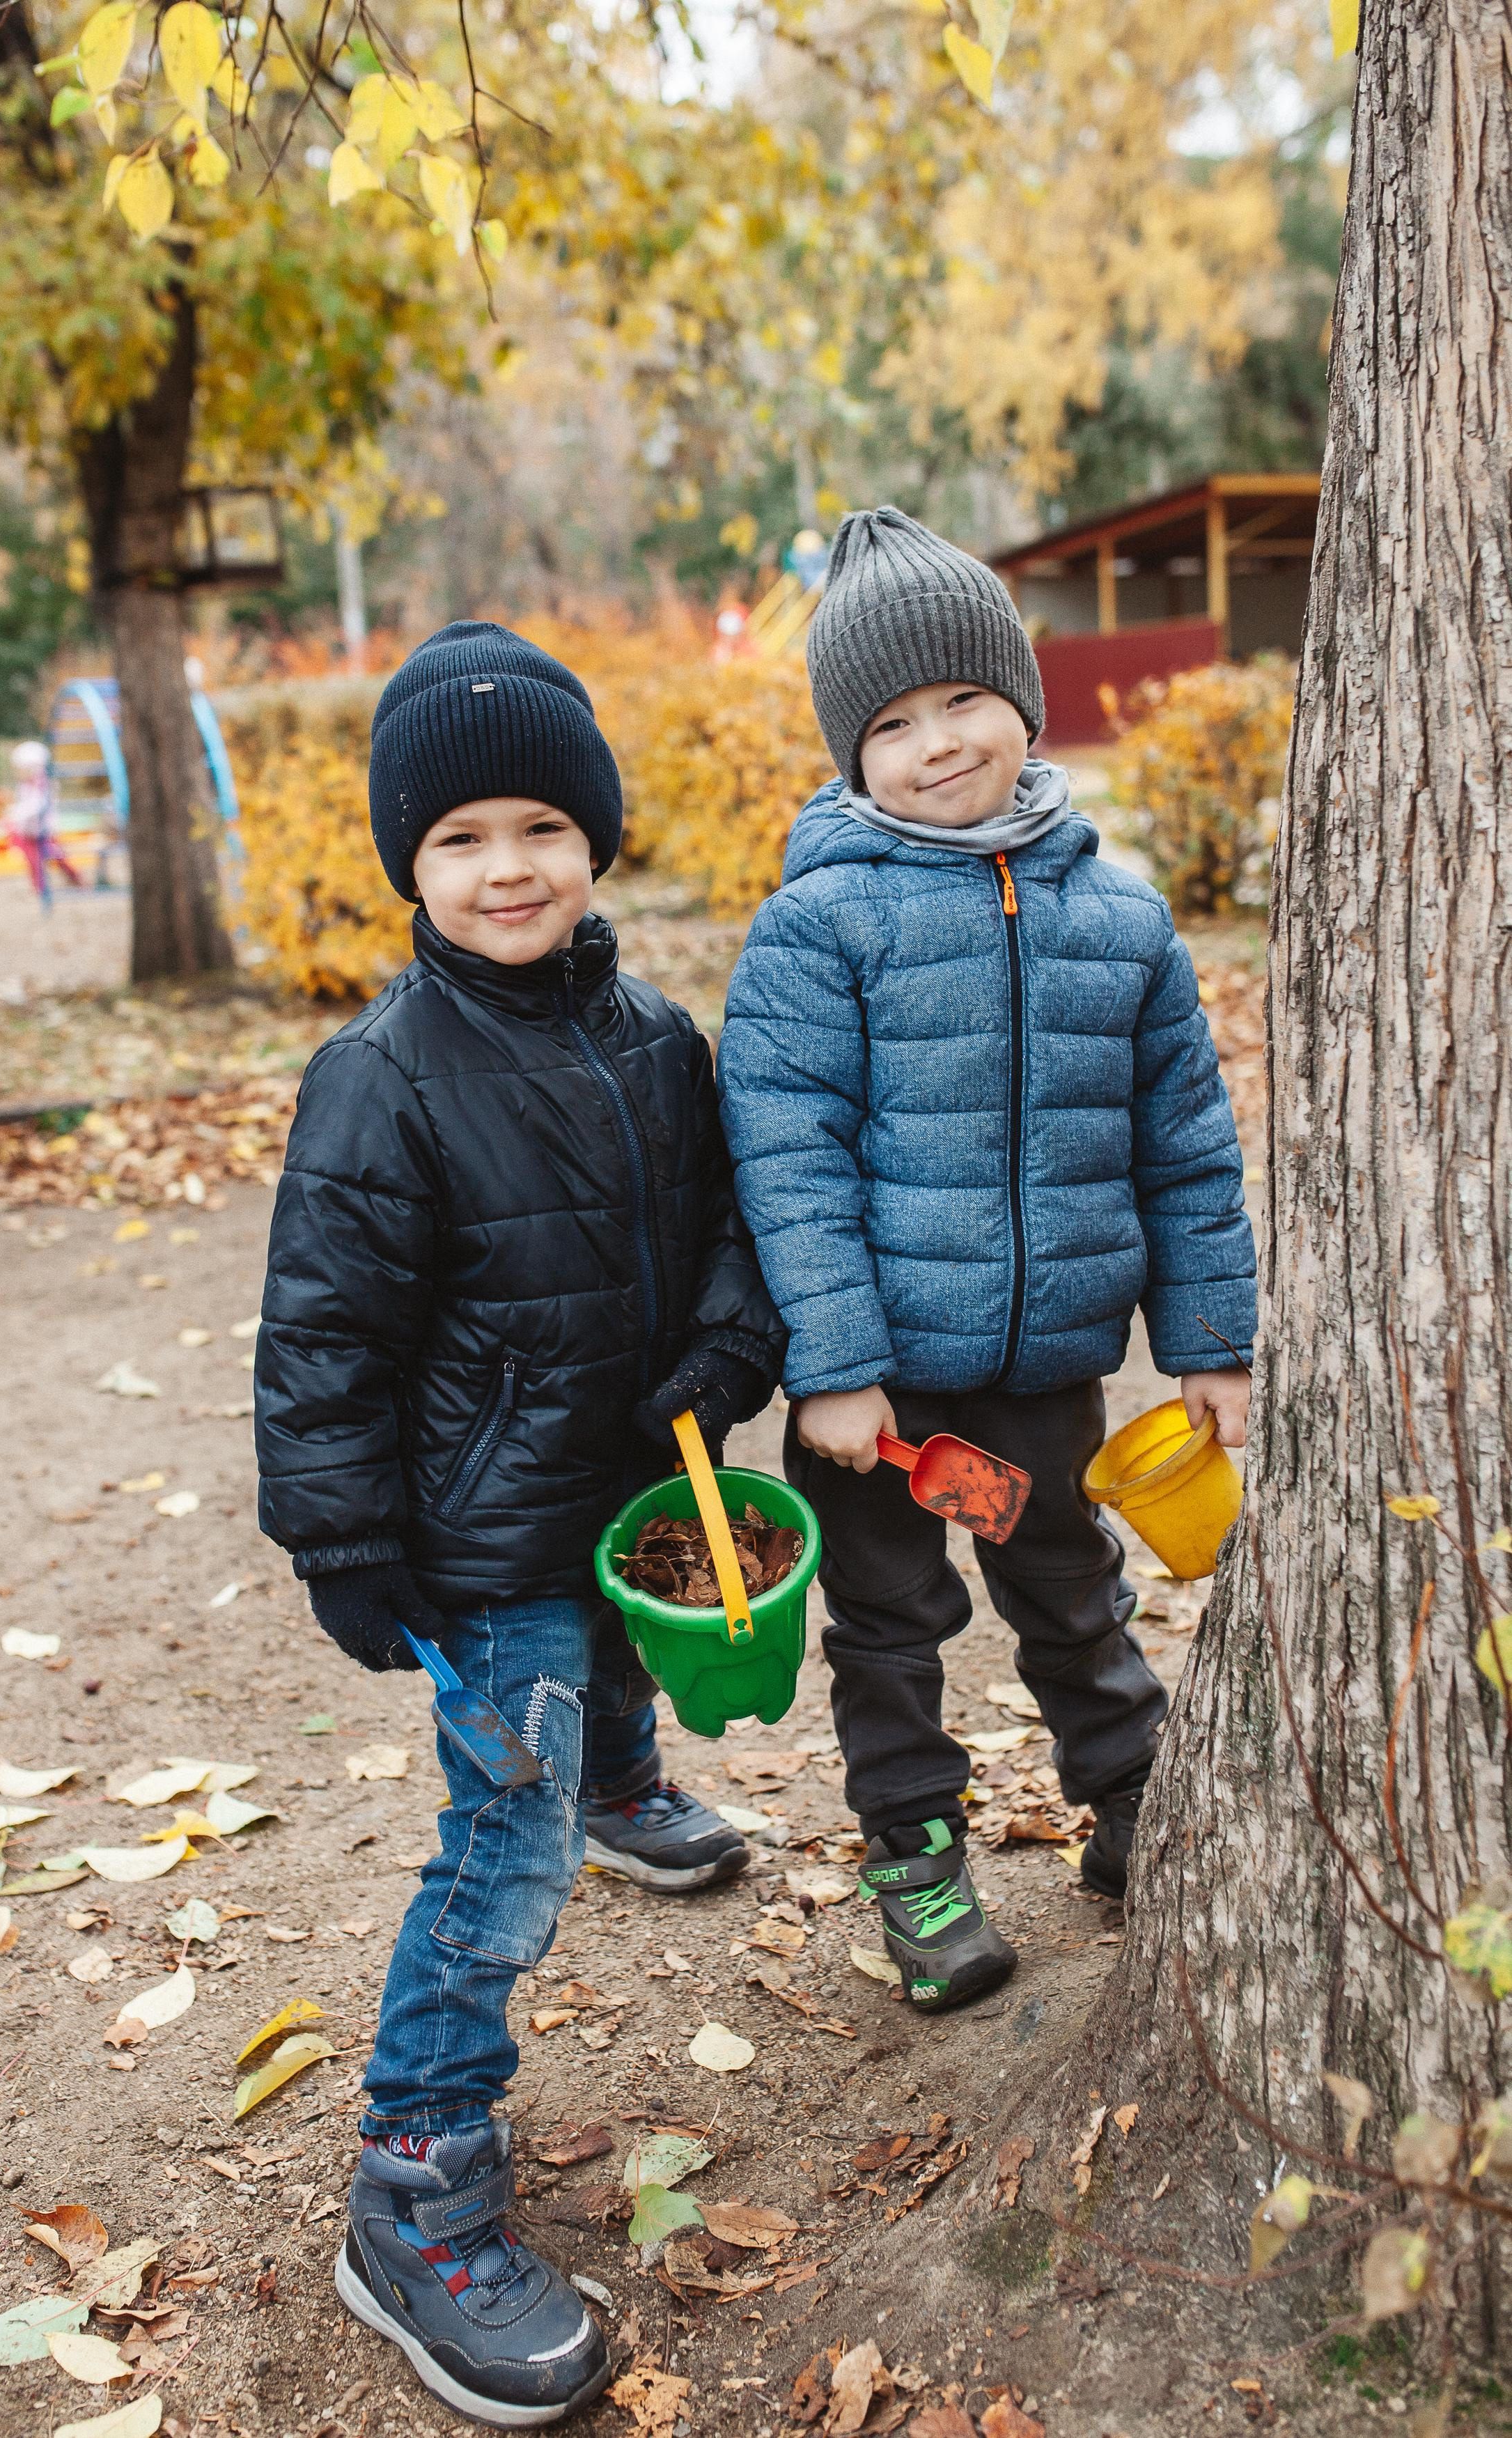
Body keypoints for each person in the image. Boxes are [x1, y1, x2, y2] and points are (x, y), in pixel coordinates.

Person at [254, 622, 784, 2425]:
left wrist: (723, 1345)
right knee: (506, 1826)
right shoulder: (382, 1074)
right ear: (413, 861)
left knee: (619, 1664)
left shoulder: (656, 1040)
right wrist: (339, 1533)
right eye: (463, 835)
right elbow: (321, 1331)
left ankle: (626, 1786)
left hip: (624, 1488)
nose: (507, 867)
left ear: (594, 841)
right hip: (476, 1530)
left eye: (540, 827)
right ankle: (412, 2178)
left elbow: (728, 1229)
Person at [717, 506, 1256, 2012]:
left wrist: (1209, 1339)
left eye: (961, 699)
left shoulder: (1119, 915)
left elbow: (1184, 1146)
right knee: (891, 1626)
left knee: (1068, 1586)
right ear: (848, 754)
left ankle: (1133, 1804)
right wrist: (831, 1368)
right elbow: (786, 1159)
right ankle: (914, 1854)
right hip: (880, 1400)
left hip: (1044, 1371)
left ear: (1019, 698)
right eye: (889, 723)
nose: (936, 742)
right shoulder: (815, 925)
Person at [6, 740, 84, 905]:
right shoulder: (25, 785)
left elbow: (37, 805)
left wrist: (18, 815)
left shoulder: (43, 784)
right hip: (29, 830)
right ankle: (39, 888)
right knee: (33, 861)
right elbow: (25, 804)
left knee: (57, 855)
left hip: (43, 829)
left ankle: (75, 879)